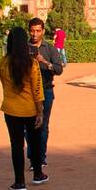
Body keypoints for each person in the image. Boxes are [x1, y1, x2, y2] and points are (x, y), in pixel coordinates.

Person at [0, 27, 46, 190]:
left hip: (11, 110)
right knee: (35, 141)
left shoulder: (3, 63)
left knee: (16, 146)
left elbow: (4, 85)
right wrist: (40, 111)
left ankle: (19, 182)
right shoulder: (32, 63)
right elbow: (37, 90)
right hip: (30, 109)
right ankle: (38, 174)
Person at [26, 16, 64, 165]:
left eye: (38, 31)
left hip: (46, 90)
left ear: (43, 31)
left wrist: (45, 62)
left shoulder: (50, 49)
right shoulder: (24, 48)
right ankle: (33, 157)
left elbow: (59, 69)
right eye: (32, 31)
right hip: (28, 92)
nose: (35, 34)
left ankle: (40, 157)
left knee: (43, 126)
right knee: (28, 126)